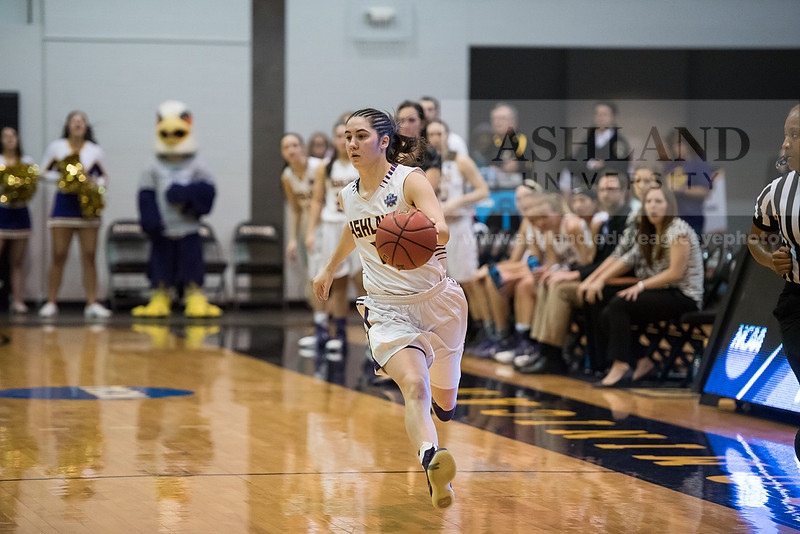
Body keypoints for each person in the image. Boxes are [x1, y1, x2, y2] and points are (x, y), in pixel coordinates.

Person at [313, 108, 466, 509]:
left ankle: (444, 409)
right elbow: (353, 227)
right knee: (414, 385)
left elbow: (443, 227)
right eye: (347, 136)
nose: (351, 144)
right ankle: (432, 461)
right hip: (387, 308)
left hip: (439, 301)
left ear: (384, 142)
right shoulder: (348, 194)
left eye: (361, 136)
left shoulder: (409, 180)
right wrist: (329, 268)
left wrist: (410, 227)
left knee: (445, 403)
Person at [516, 172, 630, 375]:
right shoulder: (550, 233)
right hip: (584, 276)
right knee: (547, 282)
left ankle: (553, 353)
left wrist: (567, 273)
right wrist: (549, 272)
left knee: (558, 286)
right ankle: (543, 349)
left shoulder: (574, 226)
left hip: (593, 278)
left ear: (557, 212)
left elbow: (589, 261)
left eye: (543, 217)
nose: (540, 223)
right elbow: (554, 264)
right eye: (535, 220)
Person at [591, 185, 703, 387]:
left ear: (669, 205)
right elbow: (626, 260)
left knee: (618, 305)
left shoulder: (678, 229)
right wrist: (598, 280)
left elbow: (674, 274)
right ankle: (642, 360)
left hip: (683, 295)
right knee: (605, 302)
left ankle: (620, 365)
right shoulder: (648, 232)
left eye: (658, 201)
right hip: (660, 292)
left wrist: (641, 286)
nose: (653, 206)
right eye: (649, 202)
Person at [132, 100, 221, 318]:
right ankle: (160, 296)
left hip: (189, 228)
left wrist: (187, 195)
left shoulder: (197, 164)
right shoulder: (152, 165)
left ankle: (195, 296)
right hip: (163, 229)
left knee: (192, 264)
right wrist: (150, 221)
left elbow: (209, 191)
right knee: (161, 264)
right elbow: (145, 194)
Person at [749, 104, 800, 460]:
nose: (784, 145)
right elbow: (755, 238)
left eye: (794, 136)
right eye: (785, 135)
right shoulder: (777, 191)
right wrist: (771, 260)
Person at [39, 111, 111, 319]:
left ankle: (92, 303)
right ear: (68, 125)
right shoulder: (57, 147)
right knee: (58, 254)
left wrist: (91, 184)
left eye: (82, 121)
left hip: (87, 208)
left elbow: (104, 177)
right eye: (74, 121)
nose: (78, 124)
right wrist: (64, 179)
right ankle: (51, 302)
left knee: (89, 255)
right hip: (63, 205)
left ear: (87, 126)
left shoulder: (95, 150)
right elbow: (43, 173)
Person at [306, 120, 364, 353]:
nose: (345, 140)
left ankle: (374, 337)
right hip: (332, 227)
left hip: (358, 227)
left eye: (348, 136)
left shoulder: (362, 164)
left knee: (363, 284)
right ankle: (339, 335)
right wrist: (311, 231)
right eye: (340, 136)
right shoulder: (326, 167)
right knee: (337, 285)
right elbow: (317, 200)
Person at [425, 119, 489, 317]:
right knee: (439, 285)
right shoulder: (425, 163)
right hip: (435, 229)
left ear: (447, 136)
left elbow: (482, 191)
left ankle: (485, 328)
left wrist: (458, 201)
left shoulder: (460, 160)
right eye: (431, 134)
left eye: (440, 133)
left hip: (459, 225)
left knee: (468, 280)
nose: (436, 138)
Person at [281, 133, 327, 349]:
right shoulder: (287, 176)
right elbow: (295, 209)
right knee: (313, 278)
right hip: (306, 228)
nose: (291, 150)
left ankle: (330, 330)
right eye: (286, 147)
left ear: (303, 147)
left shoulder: (320, 166)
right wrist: (292, 238)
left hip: (327, 225)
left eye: (295, 145)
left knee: (329, 278)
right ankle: (321, 329)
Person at [0, 126, 37, 313]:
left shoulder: (26, 162)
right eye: (5, 136)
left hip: (21, 212)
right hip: (2, 211)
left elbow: (33, 185)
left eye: (12, 135)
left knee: (17, 261)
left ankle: (18, 300)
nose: (9, 139)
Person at [564, 102, 631, 191]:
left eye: (604, 114)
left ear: (614, 117)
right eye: (597, 114)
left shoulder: (619, 142)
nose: (600, 118)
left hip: (610, 189)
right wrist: (590, 164)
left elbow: (620, 166)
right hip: (587, 187)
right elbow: (573, 164)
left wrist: (603, 165)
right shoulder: (589, 140)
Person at [663, 129, 712, 236]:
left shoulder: (699, 164)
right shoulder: (670, 167)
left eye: (680, 144)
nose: (677, 148)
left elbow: (705, 191)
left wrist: (681, 189)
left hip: (692, 218)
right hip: (672, 218)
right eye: (674, 144)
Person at [396, 100, 441, 189]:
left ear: (422, 123)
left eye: (411, 120)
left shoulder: (430, 154)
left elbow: (428, 190)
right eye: (401, 120)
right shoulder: (387, 151)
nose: (405, 125)